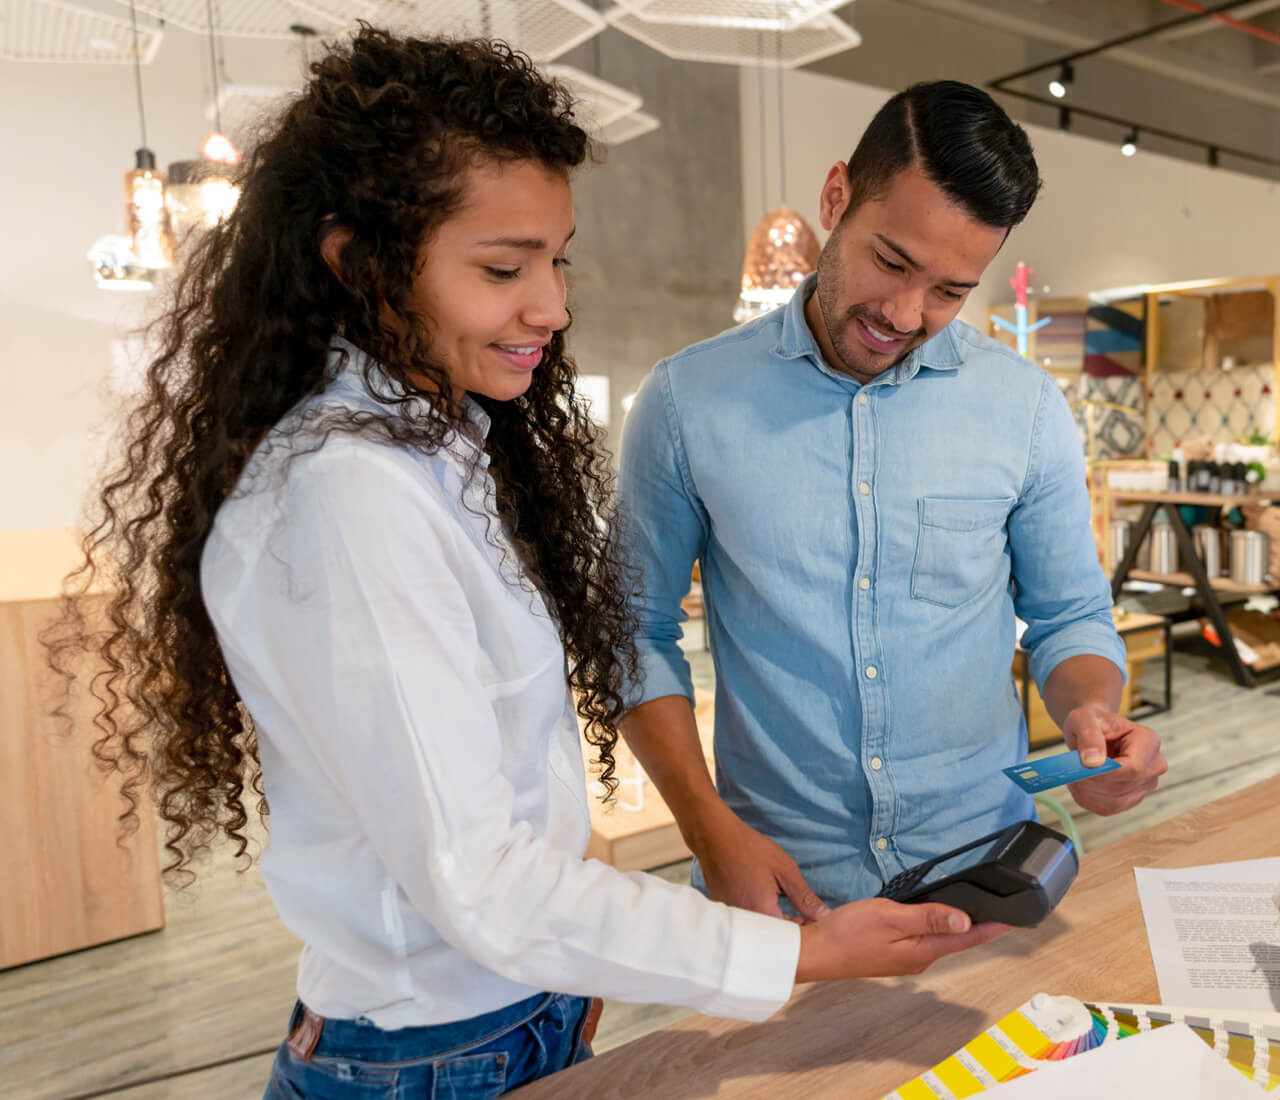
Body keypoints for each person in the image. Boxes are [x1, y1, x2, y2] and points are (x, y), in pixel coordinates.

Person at [45, 34, 1004, 1099]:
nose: (550, 305)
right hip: (425, 1057)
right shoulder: (346, 495)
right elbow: (479, 882)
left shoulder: (435, 449)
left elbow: (495, 791)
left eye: (556, 259)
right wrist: (806, 953)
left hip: (507, 1020)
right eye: (503, 268)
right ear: (360, 261)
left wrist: (574, 959)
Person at [618, 81, 1168, 919]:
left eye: (950, 291)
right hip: (778, 891)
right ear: (837, 196)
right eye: (891, 261)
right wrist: (707, 830)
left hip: (987, 872)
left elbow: (1070, 617)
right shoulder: (688, 401)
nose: (906, 313)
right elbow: (634, 630)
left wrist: (1094, 717)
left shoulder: (1023, 408)